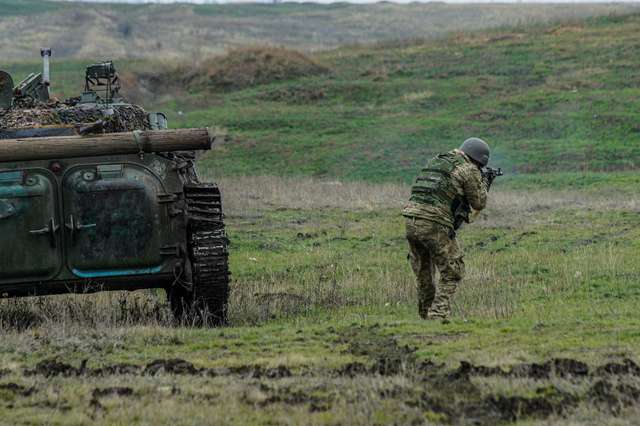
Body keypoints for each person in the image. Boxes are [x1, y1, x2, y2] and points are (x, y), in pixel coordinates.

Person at [402, 137, 490, 321]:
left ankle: (425, 314)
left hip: (411, 219)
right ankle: (438, 313)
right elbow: (479, 202)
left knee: (424, 272)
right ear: (478, 160)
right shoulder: (469, 169)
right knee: (453, 271)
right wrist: (484, 184)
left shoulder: (438, 160)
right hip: (434, 222)